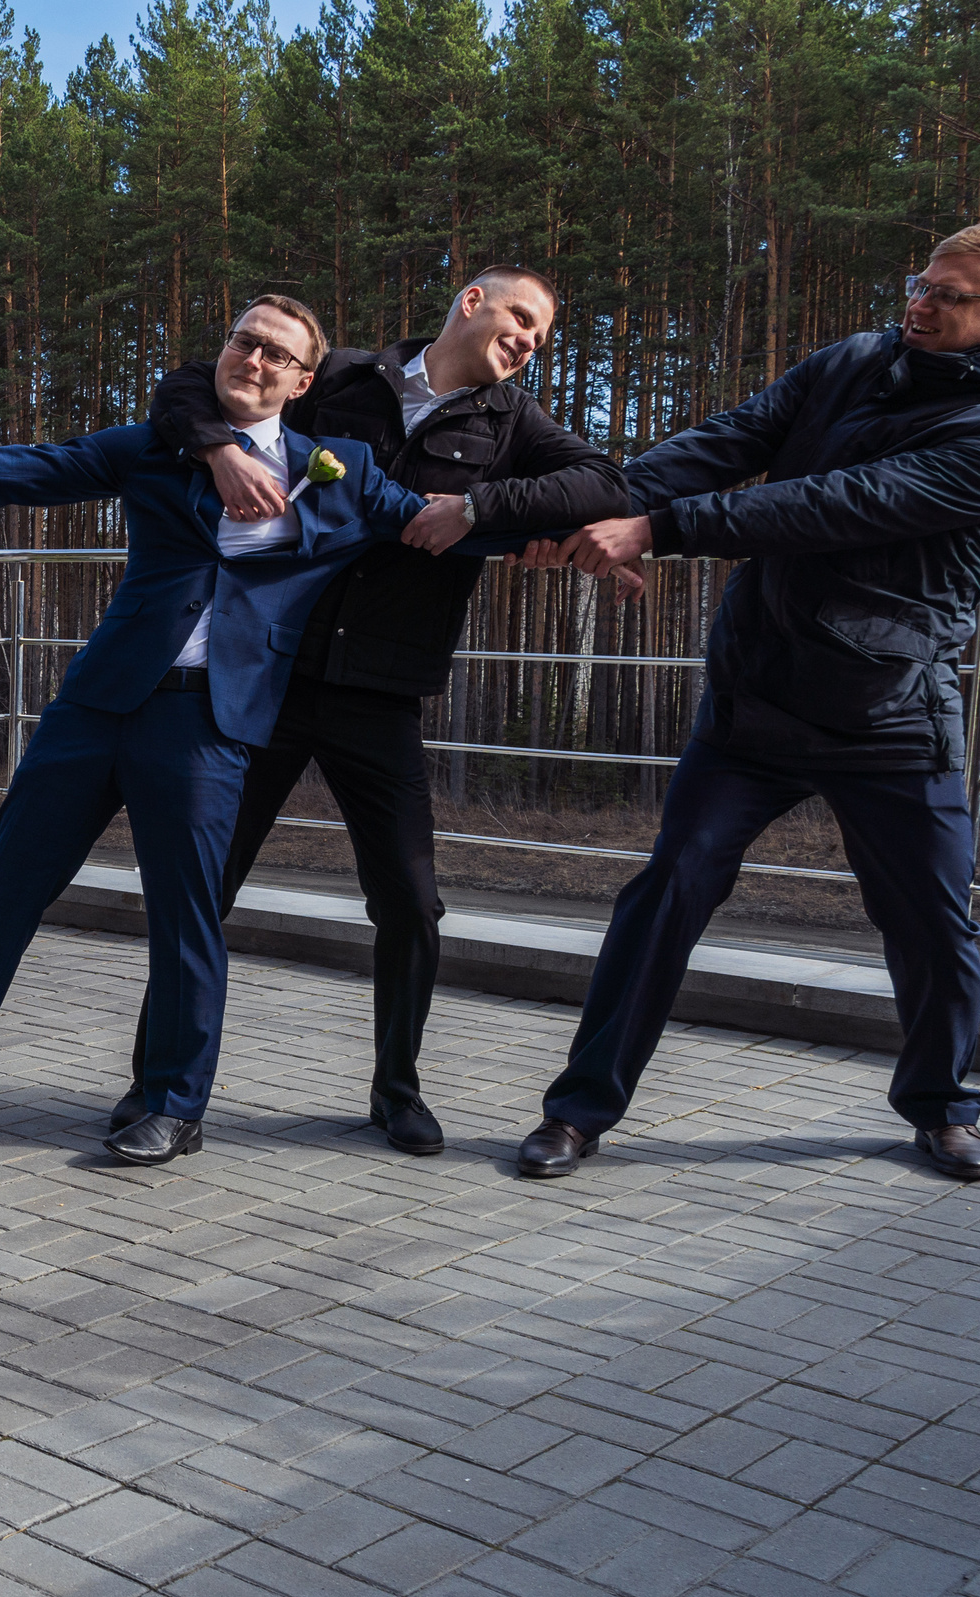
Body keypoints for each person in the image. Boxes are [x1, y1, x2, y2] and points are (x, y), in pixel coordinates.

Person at [0, 295, 554, 1169]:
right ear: (225, 350)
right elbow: (40, 467)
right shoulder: (160, 443)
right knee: (15, 871)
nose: (255, 360)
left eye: (277, 355)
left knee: (187, 912)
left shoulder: (343, 466)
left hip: (210, 717)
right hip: (100, 700)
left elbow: (429, 524)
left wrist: (558, 538)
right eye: (245, 342)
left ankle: (175, 1105)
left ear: (303, 381)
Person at [513, 222, 980, 1183]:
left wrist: (657, 529)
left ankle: (941, 1108)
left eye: (948, 295)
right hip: (757, 698)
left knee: (933, 925)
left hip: (889, 714)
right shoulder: (854, 360)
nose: (918, 304)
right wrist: (584, 510)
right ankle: (578, 1113)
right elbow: (733, 439)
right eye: (919, 282)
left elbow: (837, 503)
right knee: (667, 893)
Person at [127, 266, 633, 1155]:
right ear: (471, 302)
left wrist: (477, 508)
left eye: (540, 339)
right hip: (270, 674)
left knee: (410, 900)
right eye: (521, 319)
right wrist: (218, 449)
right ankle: (159, 1091)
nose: (528, 343)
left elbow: (601, 484)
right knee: (206, 887)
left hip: (384, 693)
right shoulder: (347, 380)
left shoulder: (512, 424)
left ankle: (396, 1089)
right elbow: (185, 389)